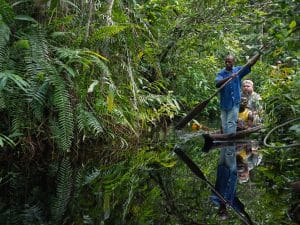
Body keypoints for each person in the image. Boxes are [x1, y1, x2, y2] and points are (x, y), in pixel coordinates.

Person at [212, 53, 260, 219]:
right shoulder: (217, 200)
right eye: (226, 61)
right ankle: (227, 137)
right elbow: (217, 83)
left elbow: (249, 64)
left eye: (231, 61)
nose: (229, 63)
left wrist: (258, 53)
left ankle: (229, 138)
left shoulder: (238, 71)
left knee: (231, 127)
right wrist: (228, 78)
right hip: (224, 104)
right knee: (225, 127)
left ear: (233, 63)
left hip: (234, 104)